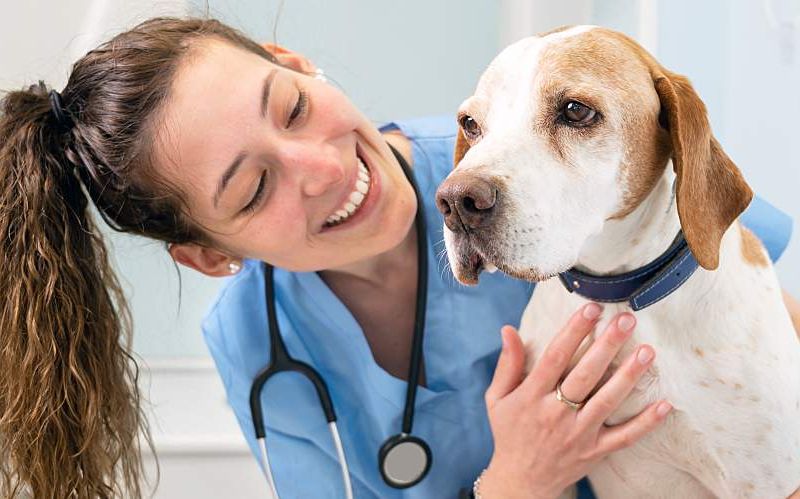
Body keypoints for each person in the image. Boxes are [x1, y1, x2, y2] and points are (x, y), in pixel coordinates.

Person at [0, 16, 794, 498]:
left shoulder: (490, 170)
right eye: (252, 190)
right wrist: (513, 481)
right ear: (210, 256)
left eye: (295, 108)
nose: (323, 168)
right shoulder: (259, 353)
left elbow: (728, 247)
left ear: (297, 62)